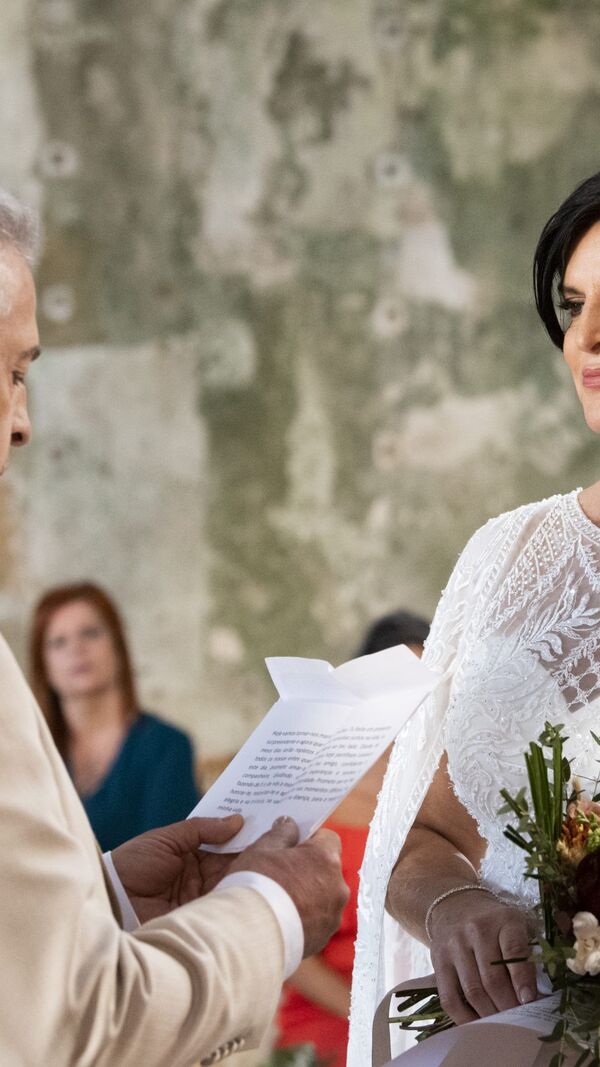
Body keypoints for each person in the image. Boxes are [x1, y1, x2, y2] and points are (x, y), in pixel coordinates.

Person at [0, 188, 349, 1066]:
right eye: (11, 372)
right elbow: (75, 1026)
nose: (24, 422)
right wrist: (272, 910)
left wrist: (112, 898)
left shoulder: (158, 745)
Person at [348, 169, 600, 1067]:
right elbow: (421, 837)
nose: (588, 338)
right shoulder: (508, 557)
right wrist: (454, 905)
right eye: (575, 305)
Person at [276, 612, 429, 1067]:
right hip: (333, 1014)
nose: (415, 704)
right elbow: (289, 949)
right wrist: (371, 1018)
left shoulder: (449, 788)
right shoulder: (316, 795)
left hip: (432, 1012)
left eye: (425, 687)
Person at [30, 581, 200, 850]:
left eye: (90, 633)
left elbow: (170, 857)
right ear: (44, 666)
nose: (76, 648)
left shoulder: (166, 746)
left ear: (119, 646)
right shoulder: (32, 754)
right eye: (58, 642)